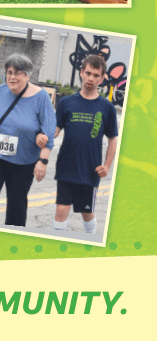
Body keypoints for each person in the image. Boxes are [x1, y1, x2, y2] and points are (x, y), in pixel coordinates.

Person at [0, 54, 56, 227]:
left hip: (23, 162)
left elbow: (48, 131)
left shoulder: (41, 98)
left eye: (17, 73)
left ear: (27, 75)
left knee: (17, 205)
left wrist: (43, 161)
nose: (12, 77)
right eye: (9, 72)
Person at [52, 55, 118, 235]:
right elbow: (55, 131)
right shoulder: (66, 102)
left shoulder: (107, 107)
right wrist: (42, 138)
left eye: (96, 75)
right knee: (61, 210)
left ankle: (92, 239)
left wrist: (107, 165)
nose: (91, 78)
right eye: (88, 73)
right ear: (81, 73)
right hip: (66, 167)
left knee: (86, 213)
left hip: (90, 170)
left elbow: (112, 139)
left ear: (102, 78)